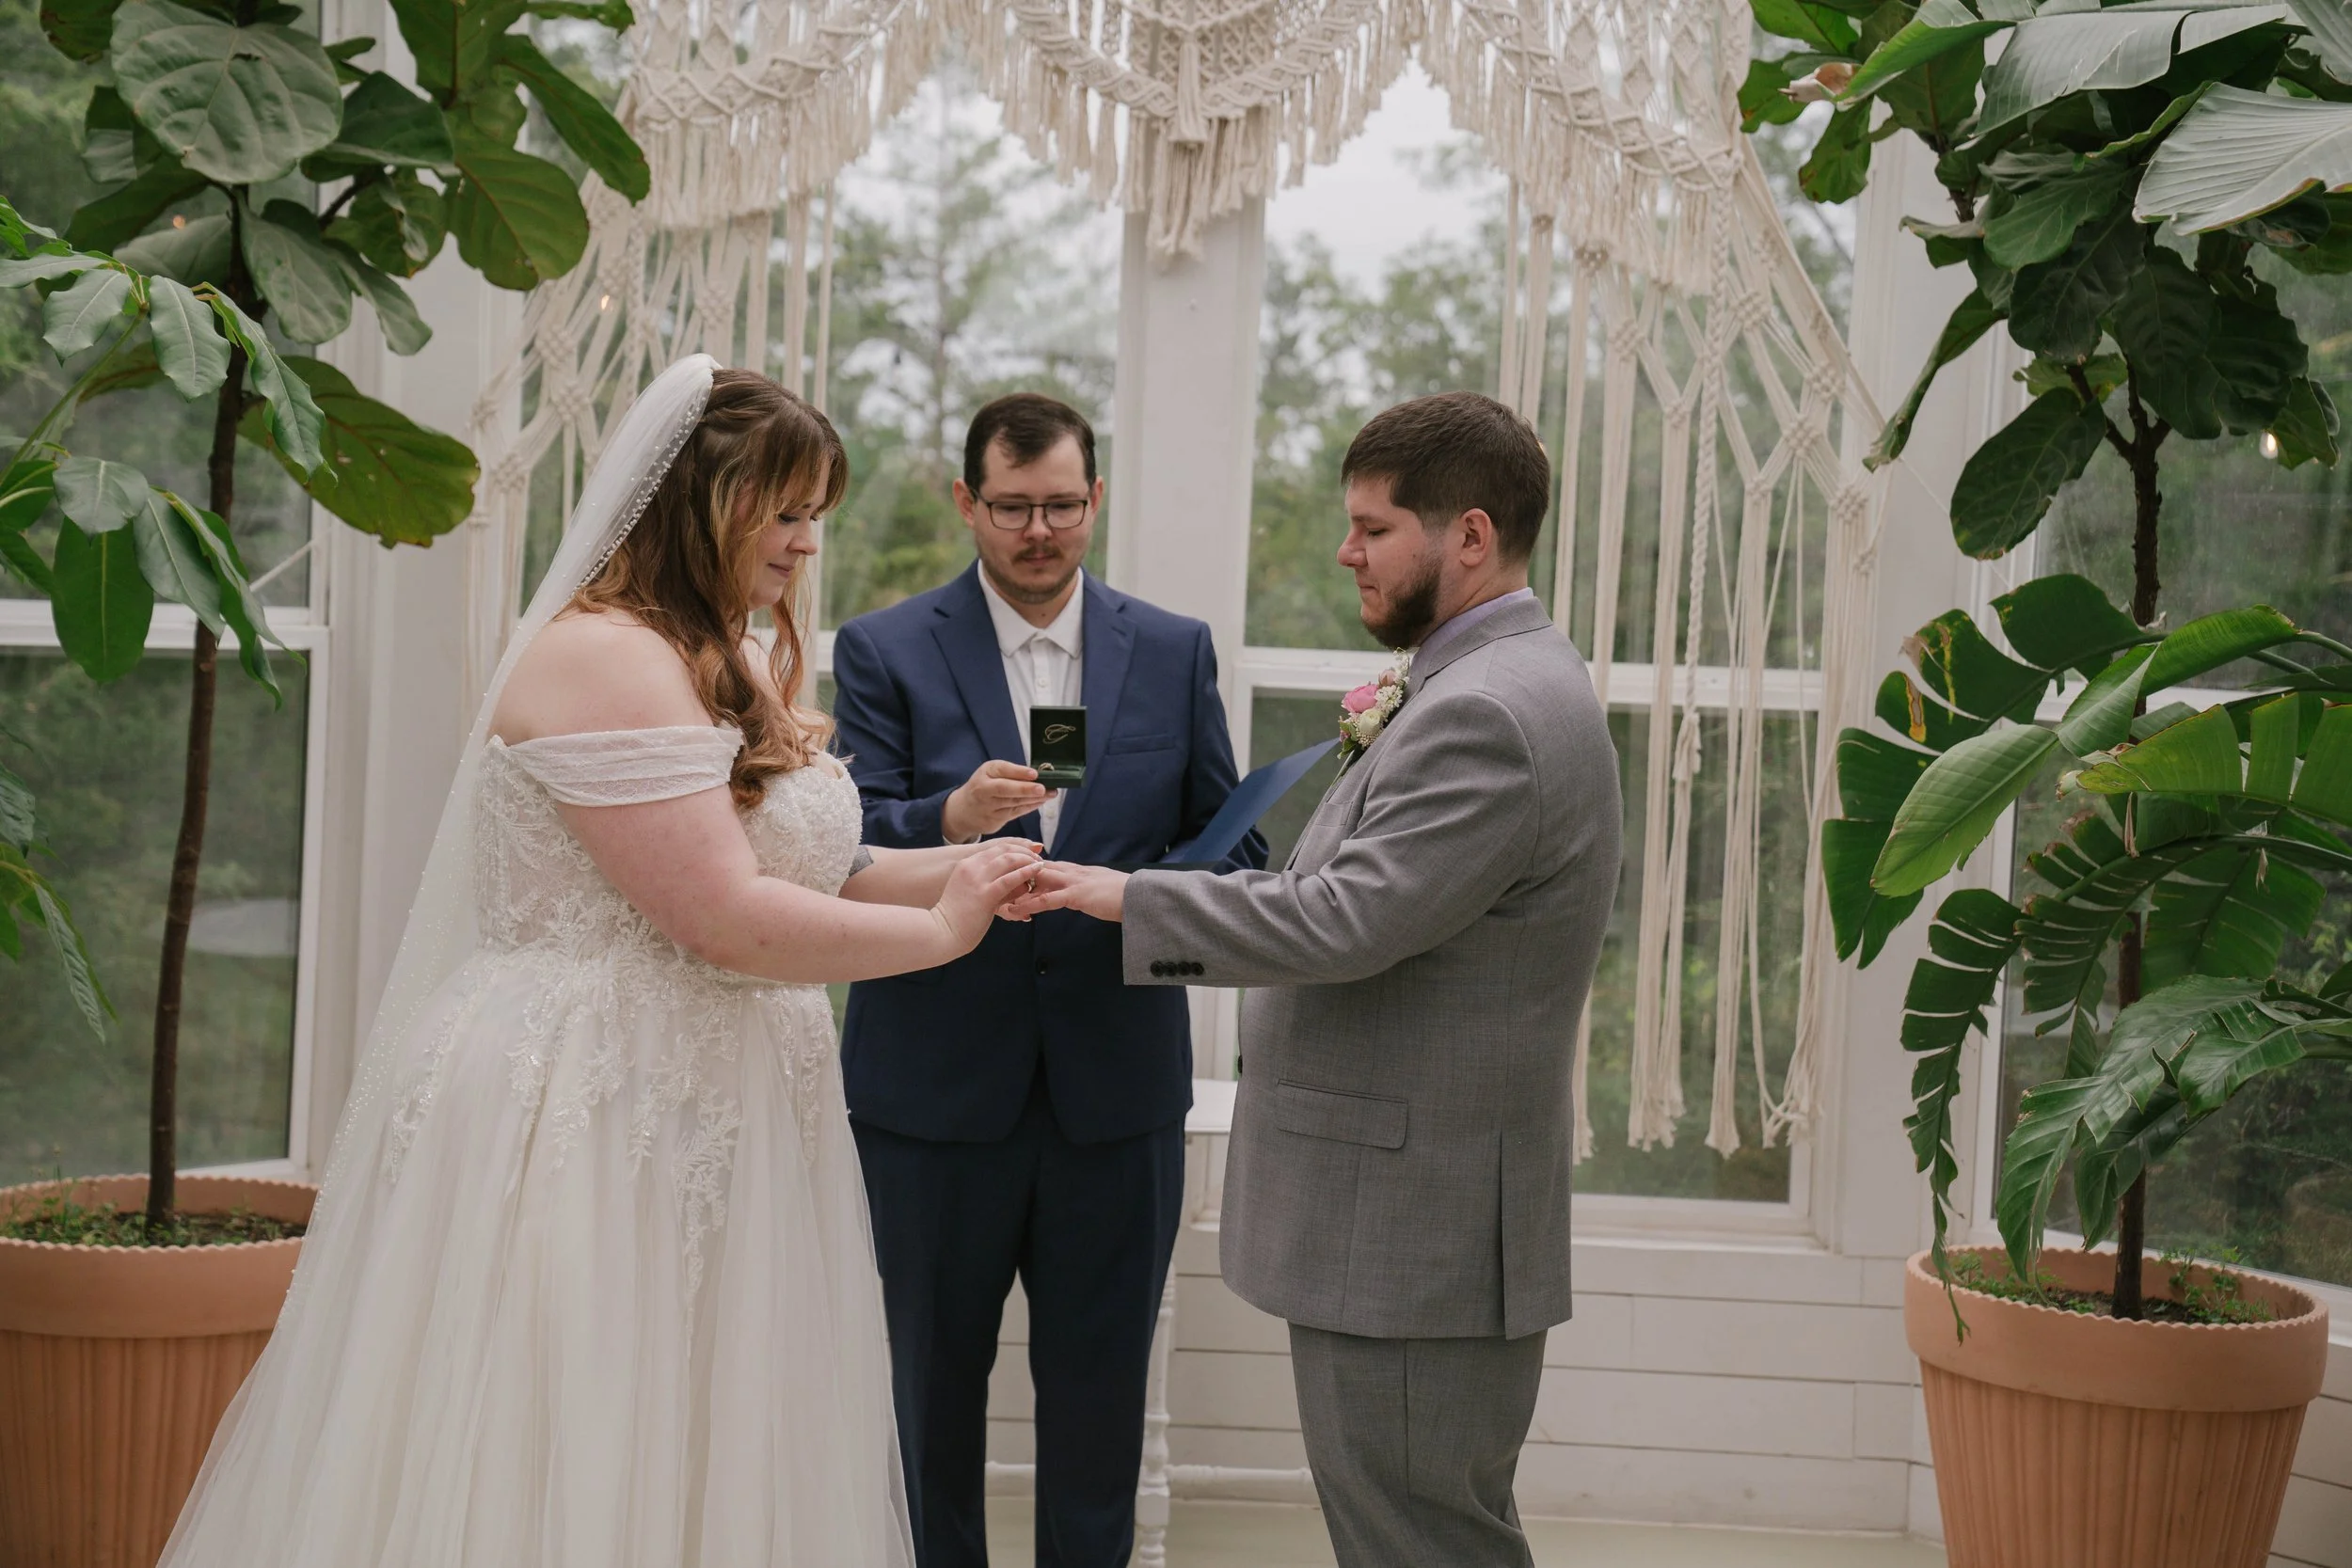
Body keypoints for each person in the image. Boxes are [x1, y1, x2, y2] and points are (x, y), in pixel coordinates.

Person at [156, 359, 1041, 1567]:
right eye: (784, 513)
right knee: (571, 1431)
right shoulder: (607, 658)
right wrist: (942, 935)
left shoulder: (715, 652)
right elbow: (720, 915)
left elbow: (807, 868)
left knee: (699, 1429)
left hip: (716, 1099)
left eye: (813, 515)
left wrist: (968, 871)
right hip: (598, 1095)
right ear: (704, 504)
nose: (804, 545)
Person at [1012, 391, 1622, 1568]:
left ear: (1471, 536)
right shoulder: (1488, 678)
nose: (1347, 551)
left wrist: (1122, 895)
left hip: (1417, 1224)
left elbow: (1344, 917)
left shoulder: (1487, 711)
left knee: (1418, 1539)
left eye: (1373, 526)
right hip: (1413, 1216)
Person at [829, 392, 1263, 1568]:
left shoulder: (1172, 649)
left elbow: (1233, 846)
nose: (1038, 530)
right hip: (929, 1093)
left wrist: (1129, 892)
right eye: (1012, 506)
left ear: (1095, 499)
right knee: (923, 1401)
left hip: (1114, 1094)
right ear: (965, 502)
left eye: (1061, 505)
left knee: (1099, 1402)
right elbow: (834, 842)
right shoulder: (882, 648)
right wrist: (948, 817)